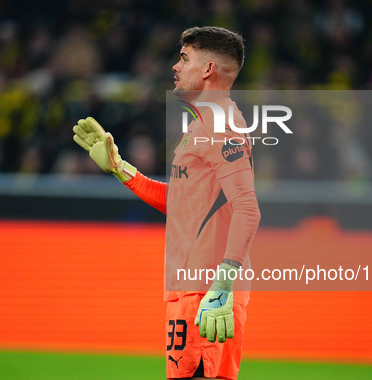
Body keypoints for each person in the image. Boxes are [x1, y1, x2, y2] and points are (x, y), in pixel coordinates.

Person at [73, 26, 260, 380]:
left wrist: (221, 286)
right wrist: (120, 168)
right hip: (192, 291)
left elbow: (248, 209)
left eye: (184, 58)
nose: (175, 67)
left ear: (207, 70)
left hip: (205, 293)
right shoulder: (204, 125)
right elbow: (182, 203)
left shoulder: (221, 125)